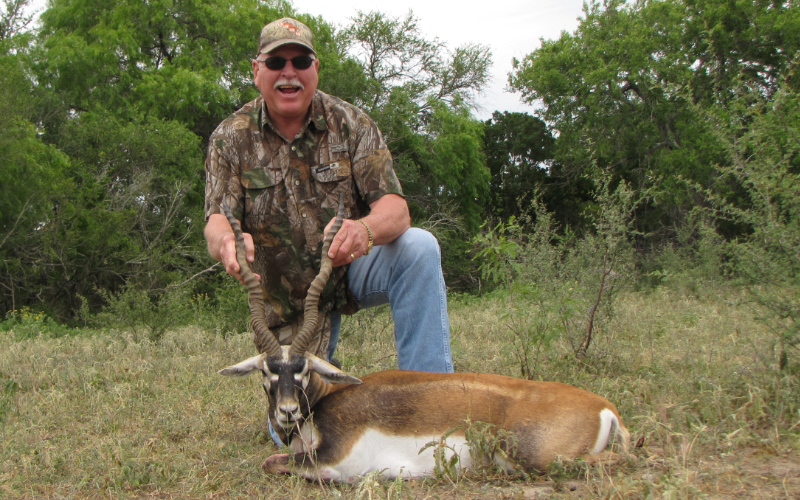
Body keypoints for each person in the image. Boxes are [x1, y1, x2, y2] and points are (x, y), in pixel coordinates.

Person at [203, 17, 453, 374]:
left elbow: (396, 210)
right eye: (276, 62)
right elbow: (216, 220)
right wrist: (227, 241)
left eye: (301, 62)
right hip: (287, 300)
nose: (289, 72)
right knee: (299, 422)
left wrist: (363, 231)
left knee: (419, 248)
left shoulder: (351, 122)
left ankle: (432, 397)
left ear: (315, 68)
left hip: (348, 271)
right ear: (257, 70)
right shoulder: (229, 138)